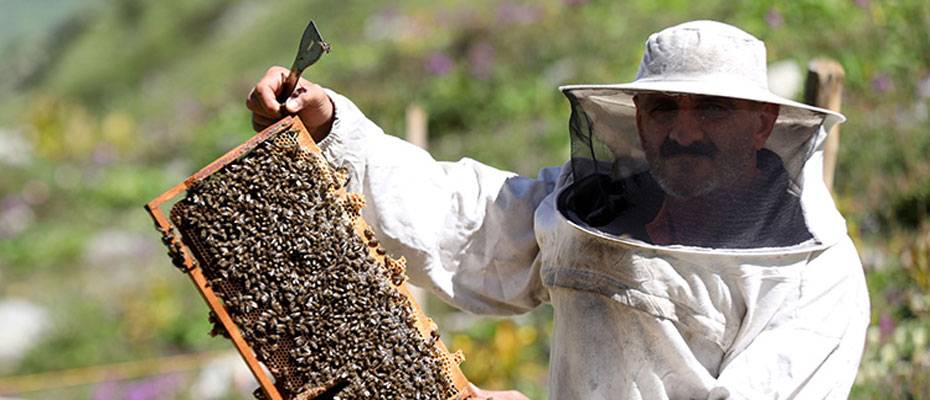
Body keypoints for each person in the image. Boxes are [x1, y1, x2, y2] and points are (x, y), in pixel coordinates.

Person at [247, 20, 870, 399]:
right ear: (635, 119)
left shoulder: (817, 278)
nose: (683, 133)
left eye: (709, 110)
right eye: (662, 110)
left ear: (762, 124)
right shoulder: (595, 205)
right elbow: (469, 226)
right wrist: (332, 129)